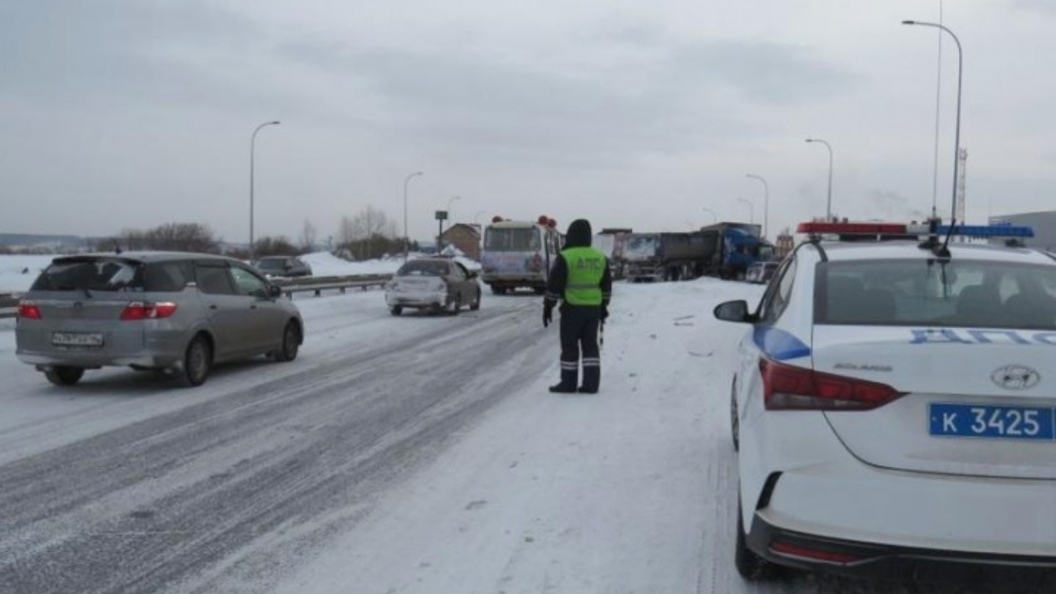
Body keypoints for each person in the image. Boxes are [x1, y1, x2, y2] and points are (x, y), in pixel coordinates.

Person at [542, 219, 612, 394]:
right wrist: (603, 307)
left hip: (572, 308)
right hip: (593, 310)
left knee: (570, 346)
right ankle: (591, 384)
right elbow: (606, 286)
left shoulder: (566, 256)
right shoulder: (600, 257)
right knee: (590, 346)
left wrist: (548, 306)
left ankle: (568, 383)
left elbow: (555, 284)